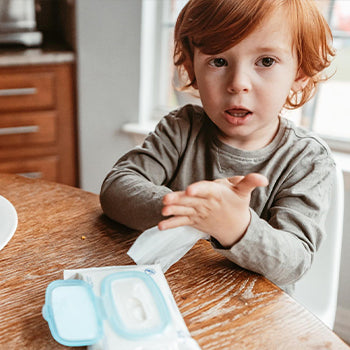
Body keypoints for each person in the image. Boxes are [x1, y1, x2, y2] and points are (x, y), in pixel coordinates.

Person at [100, 0, 336, 293]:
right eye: (219, 61)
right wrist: (192, 209)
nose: (238, 84)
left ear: (299, 74)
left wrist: (235, 226)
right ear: (192, 70)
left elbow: (294, 262)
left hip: (254, 315)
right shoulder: (181, 128)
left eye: (265, 61)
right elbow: (116, 188)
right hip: (168, 292)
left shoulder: (307, 160)